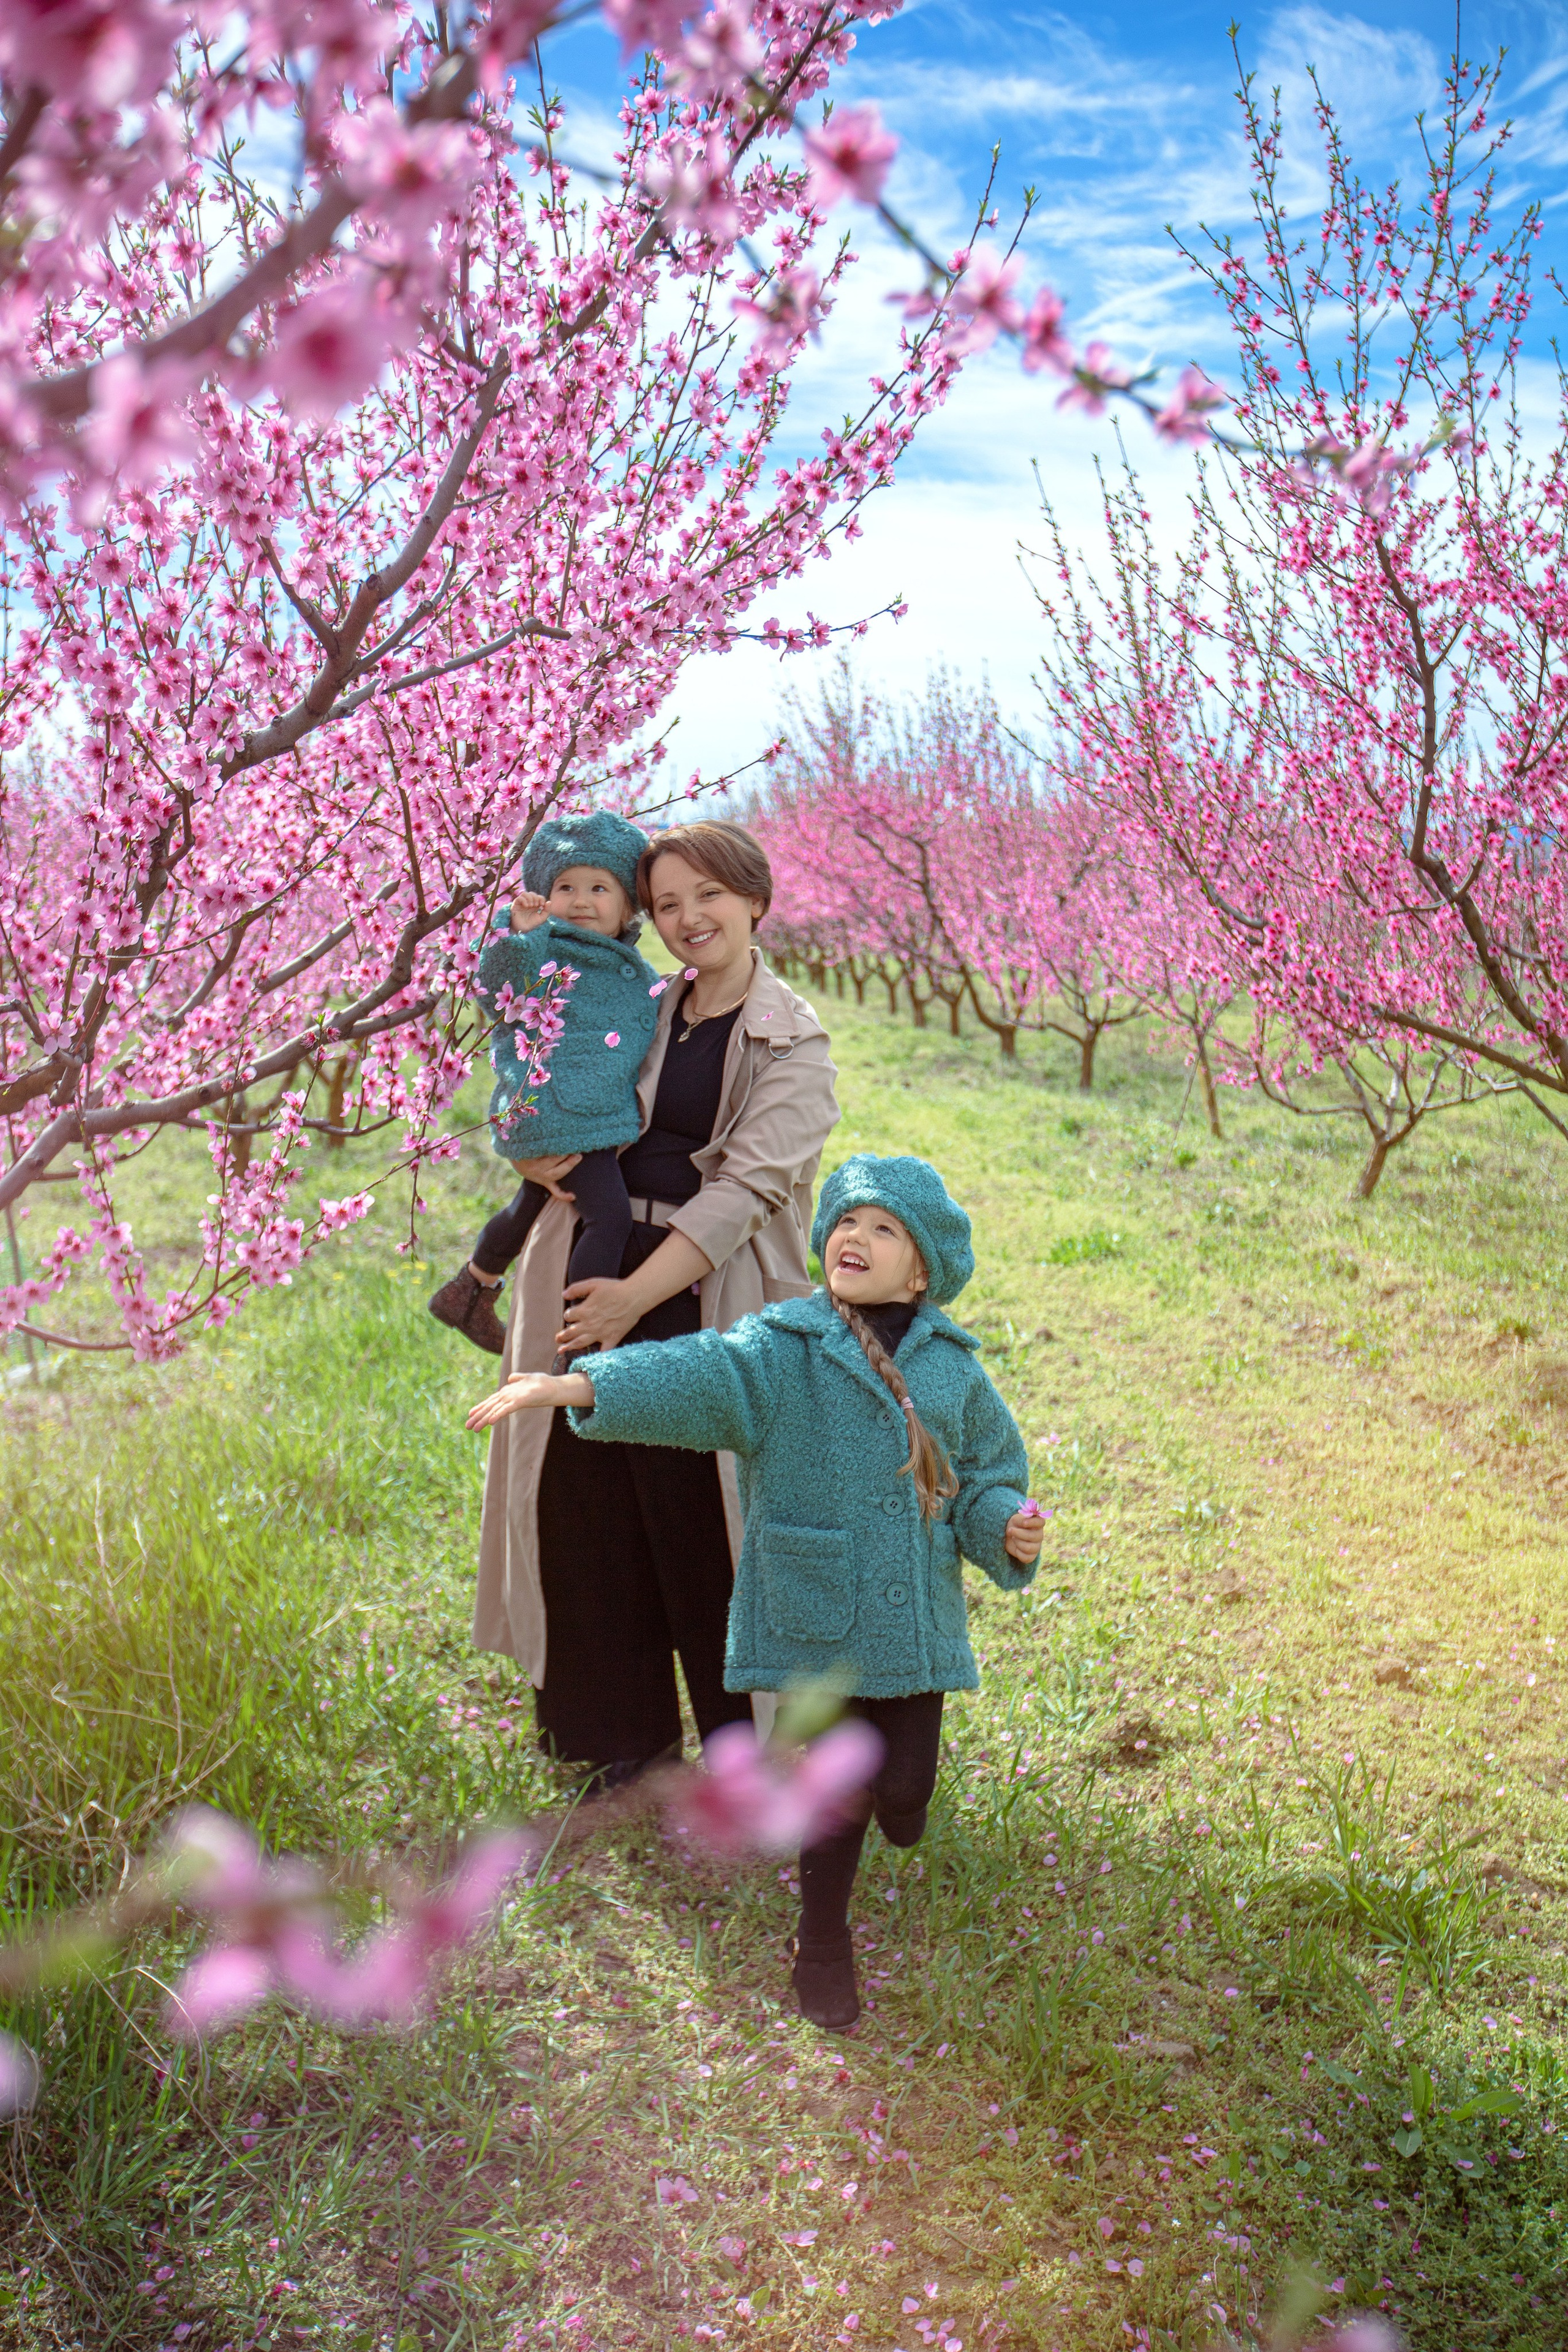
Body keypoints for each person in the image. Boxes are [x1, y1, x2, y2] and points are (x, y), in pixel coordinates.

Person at [466, 1152, 1047, 2030]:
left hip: (911, 1626)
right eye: (846, 1220)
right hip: (816, 1615)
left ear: (923, 1266)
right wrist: (581, 1384)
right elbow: (698, 1375)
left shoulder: (953, 1373)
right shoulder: (785, 1351)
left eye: (883, 1228)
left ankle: (903, 1801)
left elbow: (986, 1475)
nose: (855, 1235)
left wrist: (1004, 1522)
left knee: (905, 1787)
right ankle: (821, 1949)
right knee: (839, 1793)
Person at [470, 818, 840, 1790]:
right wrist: (526, 1151)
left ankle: (740, 1753)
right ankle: (609, 1741)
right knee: (582, 1503)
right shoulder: (627, 996)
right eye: (668, 902)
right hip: (581, 1265)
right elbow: (535, 1072)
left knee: (700, 1516)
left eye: (707, 897)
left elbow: (745, 1193)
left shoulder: (795, 1041)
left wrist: (634, 1298)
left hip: (698, 1290)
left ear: (755, 899)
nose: (687, 919)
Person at [428, 810, 660, 1357]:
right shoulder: (546, 949)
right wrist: (525, 939)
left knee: (530, 1200)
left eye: (599, 887)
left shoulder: (628, 964)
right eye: (565, 887)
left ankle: (470, 1287)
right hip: (564, 1110)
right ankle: (577, 1332)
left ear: (630, 905)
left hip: (562, 1108)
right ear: (542, 897)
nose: (581, 900)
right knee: (611, 1218)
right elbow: (496, 992)